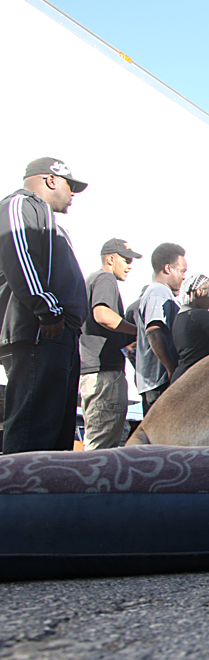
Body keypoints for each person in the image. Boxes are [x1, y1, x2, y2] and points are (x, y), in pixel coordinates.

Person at [0, 158, 89, 454]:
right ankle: (16, 497)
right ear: (51, 180)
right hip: (40, 332)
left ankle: (48, 496)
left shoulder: (47, 221)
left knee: (56, 434)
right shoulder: (20, 204)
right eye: (70, 186)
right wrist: (47, 309)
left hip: (59, 335)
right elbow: (19, 257)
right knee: (32, 431)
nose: (73, 194)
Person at [78, 238, 141, 448]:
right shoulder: (105, 278)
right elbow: (103, 315)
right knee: (101, 449)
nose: (130, 266)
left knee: (98, 441)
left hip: (92, 373)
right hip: (104, 375)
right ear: (111, 259)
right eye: (126, 260)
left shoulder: (91, 279)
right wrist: (137, 331)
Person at [134, 243, 187, 413]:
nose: (184, 277)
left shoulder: (160, 293)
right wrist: (171, 368)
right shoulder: (159, 292)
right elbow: (153, 331)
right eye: (182, 271)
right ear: (167, 269)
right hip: (159, 381)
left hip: (157, 380)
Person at [172, 274, 209, 382]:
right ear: (199, 292)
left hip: (180, 377)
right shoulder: (202, 315)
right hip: (197, 377)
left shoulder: (178, 318)